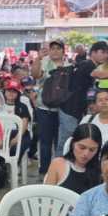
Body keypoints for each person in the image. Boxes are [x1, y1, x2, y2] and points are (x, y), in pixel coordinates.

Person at [58, 42, 108, 157]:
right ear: (93, 53)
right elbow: (100, 75)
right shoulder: (88, 64)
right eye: (102, 52)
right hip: (70, 110)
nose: (105, 55)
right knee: (67, 143)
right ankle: (60, 165)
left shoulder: (88, 64)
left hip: (75, 110)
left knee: (73, 141)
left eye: (107, 53)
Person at [32, 39, 68, 177]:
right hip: (44, 109)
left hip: (63, 110)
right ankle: (44, 172)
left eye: (58, 48)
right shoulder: (45, 63)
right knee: (45, 143)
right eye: (52, 48)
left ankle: (60, 171)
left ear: (63, 51)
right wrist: (38, 58)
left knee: (61, 142)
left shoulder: (69, 65)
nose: (55, 51)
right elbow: (35, 75)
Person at [44, 122, 103, 195]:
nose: (86, 154)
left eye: (92, 150)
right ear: (72, 144)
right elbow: (46, 196)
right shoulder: (58, 164)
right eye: (82, 148)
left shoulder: (101, 171)